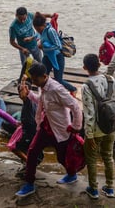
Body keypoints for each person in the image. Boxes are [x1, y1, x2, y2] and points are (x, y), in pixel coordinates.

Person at [15, 63, 82, 198]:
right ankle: (29, 184)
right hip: (46, 126)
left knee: (62, 157)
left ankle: (72, 175)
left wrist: (76, 126)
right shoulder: (42, 86)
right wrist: (29, 94)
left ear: (44, 76)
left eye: (35, 80)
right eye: (32, 79)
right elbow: (42, 100)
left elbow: (75, 106)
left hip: (61, 128)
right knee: (32, 152)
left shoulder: (57, 89)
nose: (33, 82)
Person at [81, 54, 115, 199]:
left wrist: (89, 135)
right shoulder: (111, 79)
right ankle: (110, 188)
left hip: (95, 130)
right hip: (111, 127)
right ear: (100, 65)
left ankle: (93, 189)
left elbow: (89, 113)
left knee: (92, 159)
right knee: (108, 156)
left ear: (84, 68)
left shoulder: (86, 86)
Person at [32, 12, 77, 95]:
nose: (38, 31)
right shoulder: (40, 32)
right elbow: (37, 35)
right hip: (46, 57)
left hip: (57, 56)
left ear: (43, 25)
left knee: (58, 80)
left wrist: (44, 47)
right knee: (42, 75)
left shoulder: (50, 31)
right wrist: (31, 38)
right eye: (36, 29)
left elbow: (58, 46)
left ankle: (72, 89)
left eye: (38, 29)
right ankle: (44, 94)